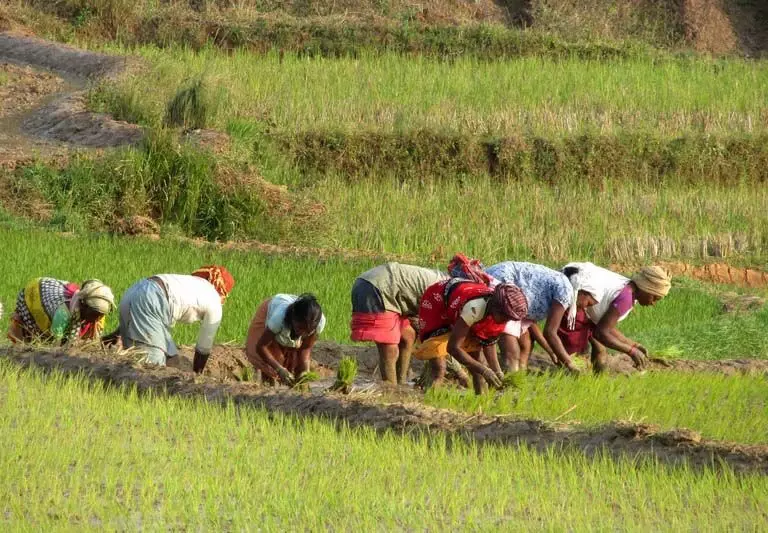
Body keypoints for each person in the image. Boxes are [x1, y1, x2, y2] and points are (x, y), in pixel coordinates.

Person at [414, 255, 529, 394]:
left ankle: (481, 403)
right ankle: (428, 401)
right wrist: (485, 370)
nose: (505, 321)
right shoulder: (475, 308)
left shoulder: (500, 315)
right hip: (437, 304)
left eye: (509, 318)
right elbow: (453, 347)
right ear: (496, 307)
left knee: (478, 363)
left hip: (460, 308)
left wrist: (497, 371)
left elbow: (488, 342)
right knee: (439, 366)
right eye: (504, 316)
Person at [112, 265, 234, 372]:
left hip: (133, 291)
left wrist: (119, 332)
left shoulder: (192, 282)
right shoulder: (214, 301)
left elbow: (141, 300)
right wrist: (198, 376)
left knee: (172, 360)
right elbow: (203, 348)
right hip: (154, 299)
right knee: (152, 368)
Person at [485, 261, 598, 373]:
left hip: (505, 281)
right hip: (503, 281)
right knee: (512, 352)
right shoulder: (566, 291)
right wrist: (569, 363)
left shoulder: (553, 292)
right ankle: (507, 384)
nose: (585, 308)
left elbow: (531, 322)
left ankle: (515, 376)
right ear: (583, 292)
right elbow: (550, 332)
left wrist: (551, 351)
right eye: (588, 303)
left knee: (525, 343)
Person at [557, 264, 672, 371]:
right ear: (647, 288)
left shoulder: (628, 290)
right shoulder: (625, 297)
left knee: (600, 349)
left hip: (584, 303)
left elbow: (606, 327)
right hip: (575, 297)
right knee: (576, 351)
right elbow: (601, 333)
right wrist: (631, 351)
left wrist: (633, 345)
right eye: (654, 298)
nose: (653, 303)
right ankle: (567, 376)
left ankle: (596, 383)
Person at [350, 262, 448, 384]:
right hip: (377, 287)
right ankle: (390, 389)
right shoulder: (445, 293)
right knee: (389, 348)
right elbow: (436, 339)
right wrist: (442, 371)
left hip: (387, 289)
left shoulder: (451, 289)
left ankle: (401, 383)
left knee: (408, 336)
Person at [245, 293, 326, 386]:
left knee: (294, 363)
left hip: (290, 323)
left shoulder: (318, 323)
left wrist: (305, 370)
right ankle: (266, 385)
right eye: (300, 328)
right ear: (293, 319)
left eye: (307, 331)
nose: (302, 334)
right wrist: (279, 369)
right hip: (269, 312)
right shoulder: (279, 317)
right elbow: (261, 347)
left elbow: (305, 348)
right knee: (272, 361)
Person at [9, 278, 115, 344]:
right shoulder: (63, 313)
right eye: (94, 314)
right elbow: (56, 343)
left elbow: (94, 340)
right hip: (33, 295)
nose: (97, 318)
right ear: (84, 305)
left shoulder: (99, 314)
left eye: (100, 315)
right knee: (31, 338)